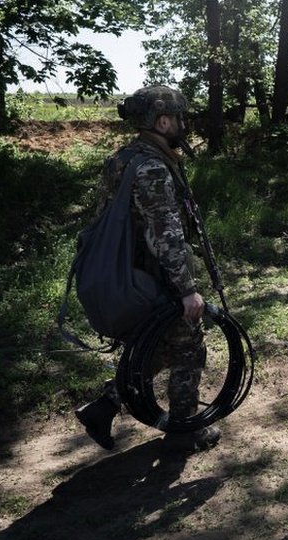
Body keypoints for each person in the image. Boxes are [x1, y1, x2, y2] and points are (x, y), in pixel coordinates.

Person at [74, 86, 220, 454]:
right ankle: (185, 431)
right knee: (189, 348)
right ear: (163, 120)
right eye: (179, 118)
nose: (183, 125)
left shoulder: (124, 158)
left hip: (130, 274)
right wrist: (186, 289)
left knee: (156, 348)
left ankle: (104, 406)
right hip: (153, 279)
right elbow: (165, 234)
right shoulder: (153, 168)